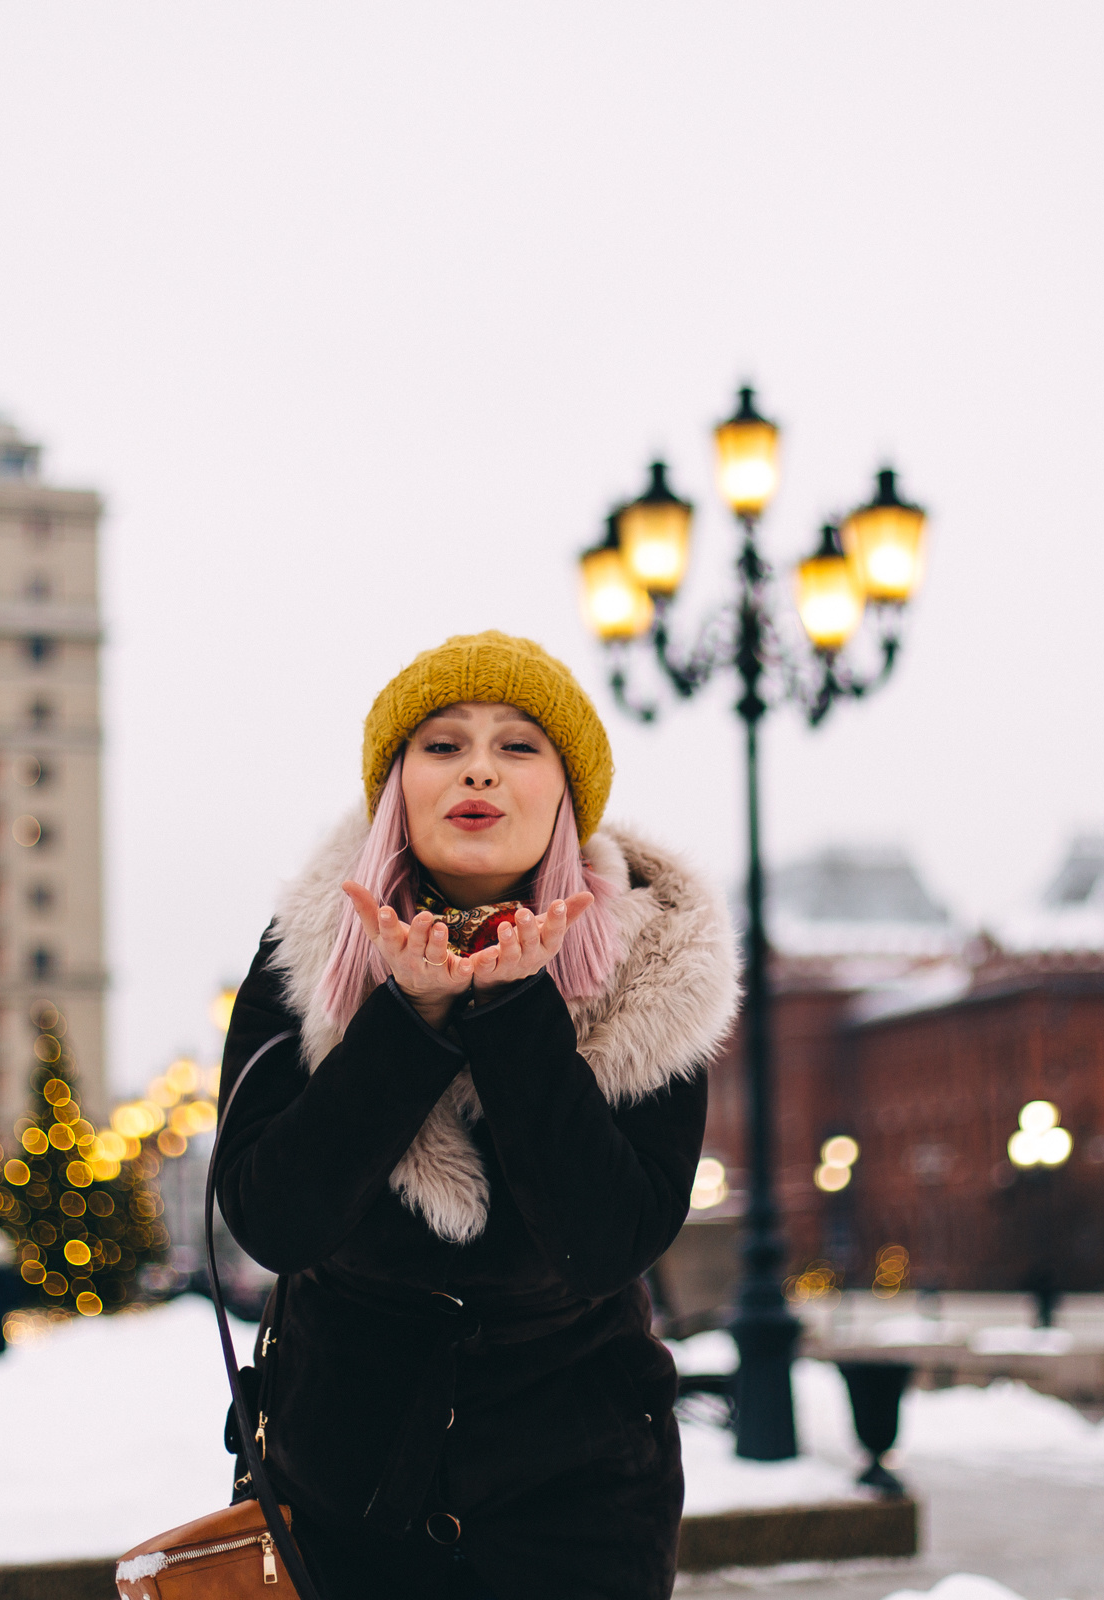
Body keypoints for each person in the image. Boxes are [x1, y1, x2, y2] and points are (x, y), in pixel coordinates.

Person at [214, 632, 737, 1600]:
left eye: (519, 746)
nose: (480, 770)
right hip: (337, 1501)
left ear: (566, 791)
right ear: (397, 785)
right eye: (443, 744)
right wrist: (405, 1021)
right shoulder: (305, 951)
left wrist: (513, 1011)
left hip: (579, 1509)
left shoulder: (658, 964)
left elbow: (607, 1243)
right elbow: (275, 1220)